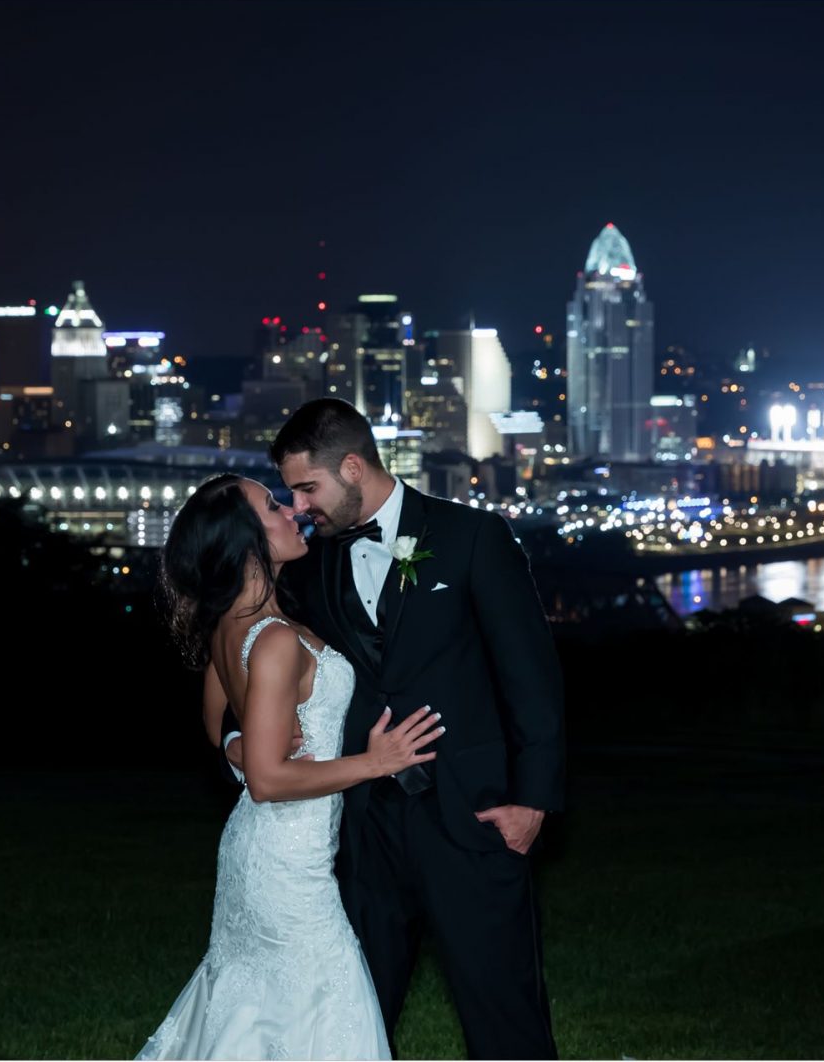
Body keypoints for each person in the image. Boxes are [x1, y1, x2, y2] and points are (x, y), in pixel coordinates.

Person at [225, 398, 564, 1059]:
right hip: (360, 826)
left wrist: (533, 800)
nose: (300, 506)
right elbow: (246, 644)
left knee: (504, 1010)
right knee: (352, 1013)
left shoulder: (473, 537)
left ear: (352, 467)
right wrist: (233, 742)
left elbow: (531, 675)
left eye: (307, 487)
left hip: (474, 813)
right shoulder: (313, 562)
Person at [135, 472, 443, 1061]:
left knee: (265, 1014)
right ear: (245, 540)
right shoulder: (274, 640)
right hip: (286, 864)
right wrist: (374, 762)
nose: (290, 510)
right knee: (327, 1005)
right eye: (272, 506)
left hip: (261, 851)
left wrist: (243, 752)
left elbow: (215, 724)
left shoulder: (232, 624)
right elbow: (272, 781)